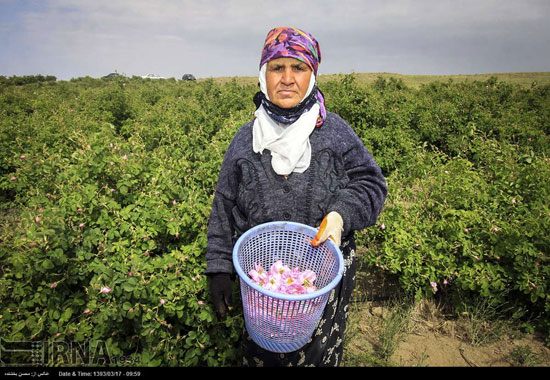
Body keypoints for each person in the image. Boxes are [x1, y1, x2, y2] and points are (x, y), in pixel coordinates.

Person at [205, 26, 387, 367]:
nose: (287, 79)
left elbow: (372, 183)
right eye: (277, 68)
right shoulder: (246, 139)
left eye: (298, 68)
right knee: (264, 352)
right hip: (265, 283)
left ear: (312, 75)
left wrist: (340, 214)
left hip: (321, 280)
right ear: (263, 74)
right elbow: (224, 205)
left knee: (318, 351)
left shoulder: (333, 131)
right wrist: (218, 268)